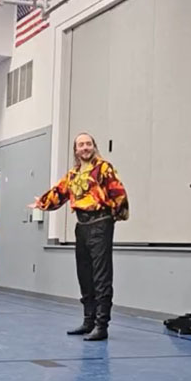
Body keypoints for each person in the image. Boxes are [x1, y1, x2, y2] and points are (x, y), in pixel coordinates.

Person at [29, 133, 128, 341]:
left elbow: (118, 193)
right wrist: (42, 203)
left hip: (100, 223)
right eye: (81, 145)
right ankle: (88, 320)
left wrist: (114, 217)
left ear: (94, 146)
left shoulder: (103, 168)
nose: (85, 148)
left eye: (88, 144)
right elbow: (59, 193)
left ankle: (102, 325)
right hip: (81, 226)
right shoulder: (73, 174)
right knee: (84, 275)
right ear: (76, 150)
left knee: (101, 276)